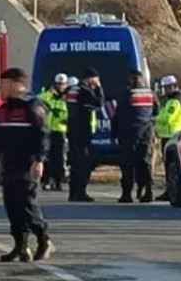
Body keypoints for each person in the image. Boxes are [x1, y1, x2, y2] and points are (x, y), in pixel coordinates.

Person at [0, 67, 53, 262]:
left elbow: (43, 134)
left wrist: (39, 160)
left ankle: (44, 240)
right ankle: (21, 246)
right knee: (12, 205)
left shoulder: (32, 105)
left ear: (14, 84)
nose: (0, 88)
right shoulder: (4, 108)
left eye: (3, 84)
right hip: (9, 163)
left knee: (26, 204)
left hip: (27, 163)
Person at [112, 70, 156, 203]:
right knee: (145, 163)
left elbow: (118, 115)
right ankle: (148, 191)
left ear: (131, 79)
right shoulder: (150, 93)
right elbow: (156, 110)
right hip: (146, 132)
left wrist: (114, 133)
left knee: (127, 165)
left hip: (129, 133)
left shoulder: (127, 94)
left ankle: (127, 194)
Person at [68, 68, 105, 202]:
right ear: (90, 78)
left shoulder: (73, 89)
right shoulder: (84, 91)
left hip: (72, 129)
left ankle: (73, 192)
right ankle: (80, 192)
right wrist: (99, 88)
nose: (97, 81)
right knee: (83, 162)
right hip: (82, 130)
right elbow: (99, 103)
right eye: (96, 78)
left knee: (74, 162)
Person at [154, 75, 181, 202]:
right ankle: (169, 190)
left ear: (172, 86)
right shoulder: (170, 99)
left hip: (172, 135)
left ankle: (172, 190)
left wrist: (154, 119)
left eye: (166, 88)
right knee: (168, 166)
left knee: (172, 166)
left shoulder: (175, 100)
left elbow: (168, 118)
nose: (164, 90)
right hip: (167, 135)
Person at [38, 73, 69, 192]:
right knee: (46, 156)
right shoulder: (46, 95)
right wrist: (50, 95)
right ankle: (47, 180)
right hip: (47, 130)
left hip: (61, 131)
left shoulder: (67, 98)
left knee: (60, 158)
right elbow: (38, 102)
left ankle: (58, 181)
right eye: (59, 84)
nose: (61, 87)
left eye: (63, 84)